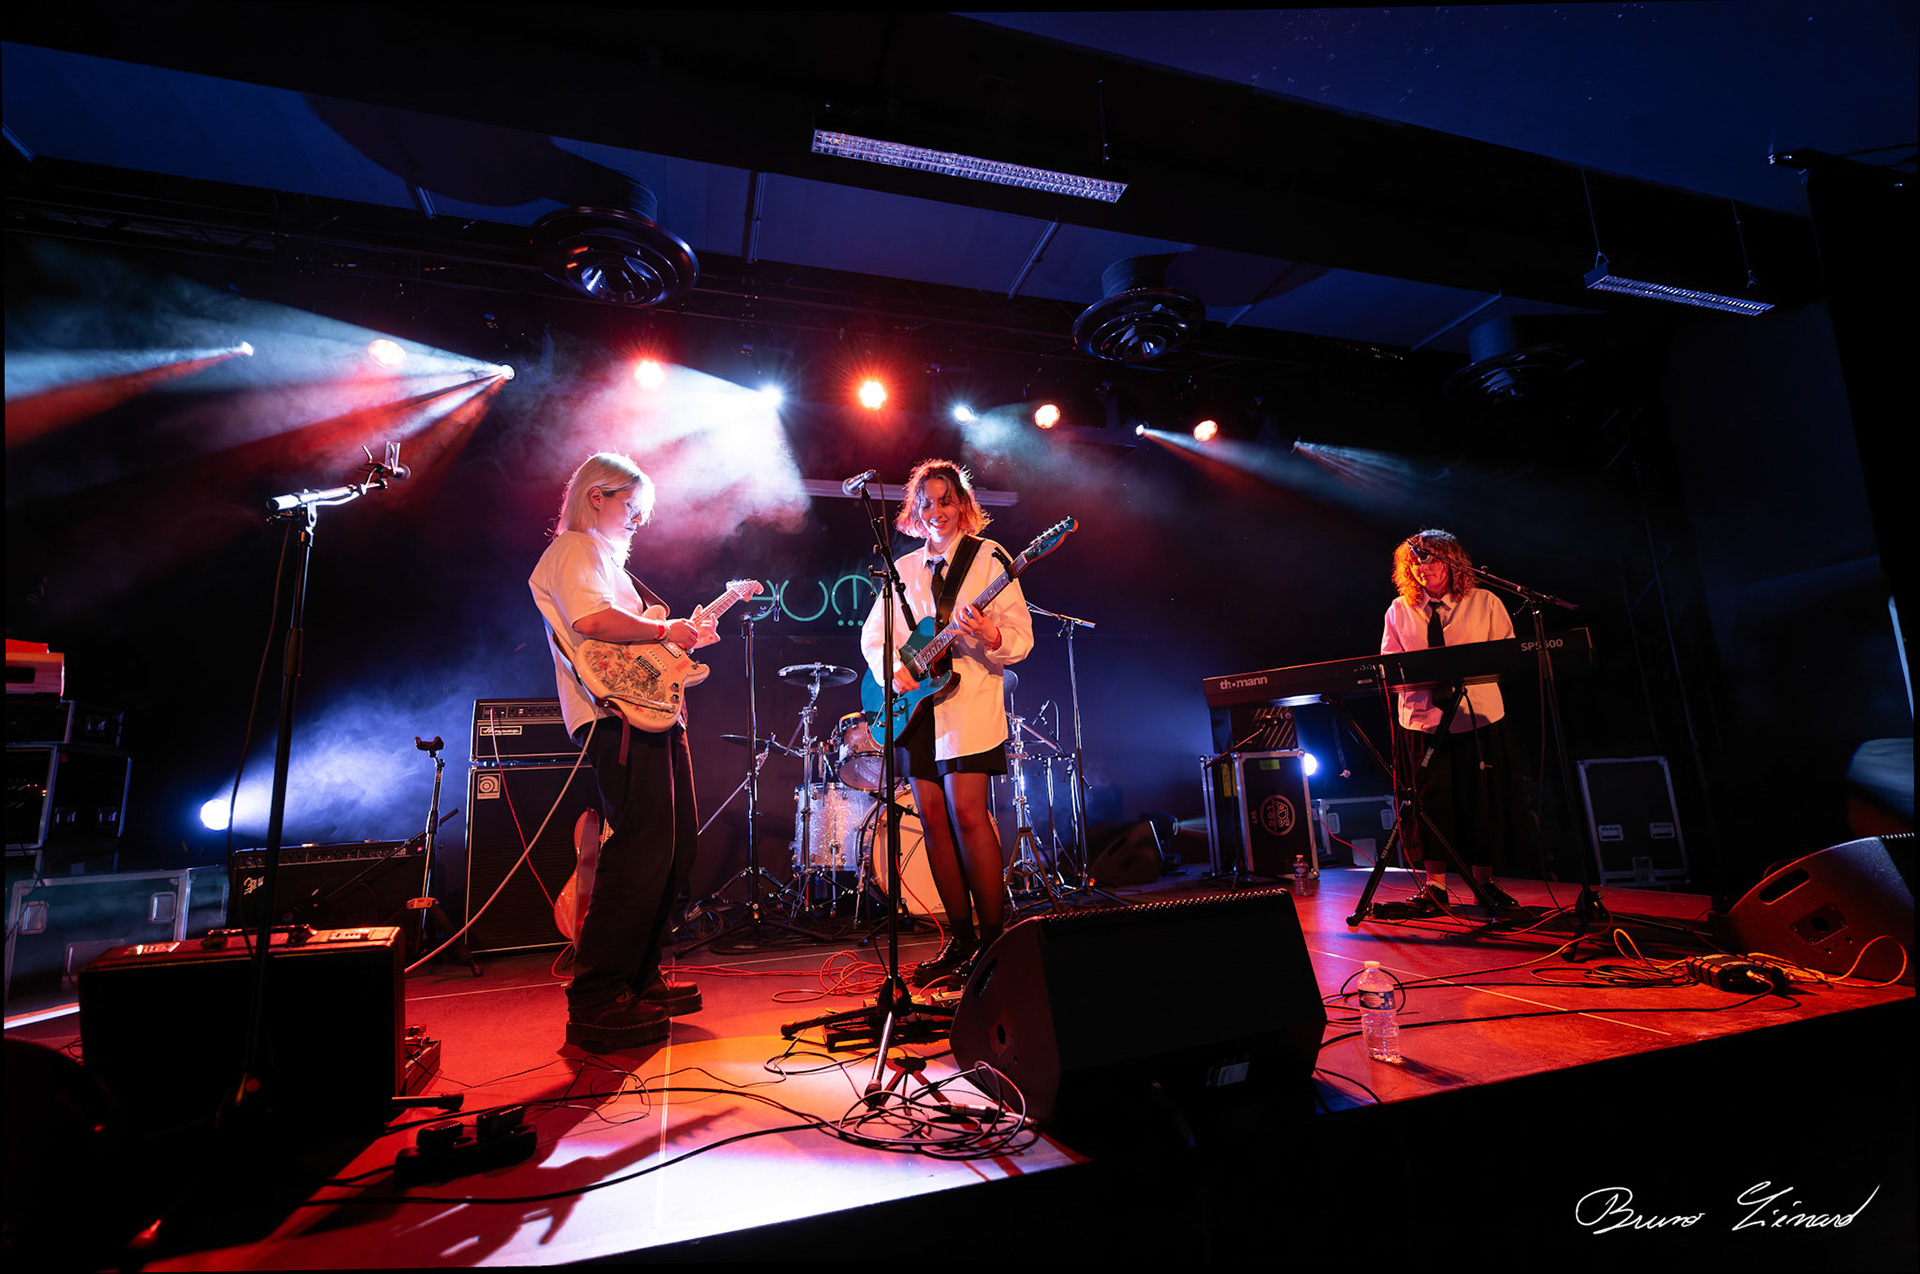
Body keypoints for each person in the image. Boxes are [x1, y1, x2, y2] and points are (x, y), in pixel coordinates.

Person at [529, 453, 707, 1051]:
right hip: (615, 722)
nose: (637, 519)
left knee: (674, 848)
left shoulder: (608, 562)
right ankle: (597, 997)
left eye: (641, 510)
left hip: (647, 717)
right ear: (595, 496)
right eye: (630, 507)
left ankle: (638, 977)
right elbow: (594, 622)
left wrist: (676, 641)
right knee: (638, 850)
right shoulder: (576, 549)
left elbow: (637, 645)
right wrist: (665, 631)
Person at [860, 460, 1033, 984]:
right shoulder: (904, 569)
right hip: (916, 710)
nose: (936, 511)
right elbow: (874, 636)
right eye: (926, 502)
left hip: (969, 702)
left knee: (968, 815)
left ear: (963, 505)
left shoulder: (989, 559)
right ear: (915, 510)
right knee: (932, 819)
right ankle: (959, 939)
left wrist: (987, 634)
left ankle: (993, 940)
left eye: (946, 500)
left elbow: (1020, 637)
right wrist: (894, 673)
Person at [1381, 529, 1527, 913]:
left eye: (1428, 558)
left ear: (1451, 562)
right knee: (1429, 804)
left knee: (1482, 800)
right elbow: (1389, 667)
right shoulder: (1399, 610)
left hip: (1478, 717)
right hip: (1423, 722)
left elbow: (1507, 657)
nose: (1420, 566)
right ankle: (1435, 887)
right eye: (1413, 560)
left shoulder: (1484, 602)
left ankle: (1484, 884)